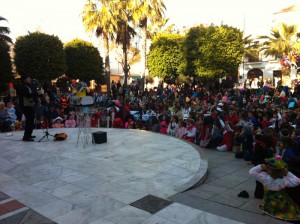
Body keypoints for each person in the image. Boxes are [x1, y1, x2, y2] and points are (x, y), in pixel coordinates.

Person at [249, 156, 300, 221]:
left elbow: (251, 171)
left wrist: (261, 166)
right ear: (283, 171)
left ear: (268, 169)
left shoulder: (264, 178)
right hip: (281, 205)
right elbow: (298, 181)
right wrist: (287, 173)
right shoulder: (285, 181)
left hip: (268, 204)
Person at [18, 76, 41, 141]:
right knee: (29, 121)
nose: (30, 80)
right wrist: (36, 93)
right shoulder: (23, 87)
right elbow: (28, 95)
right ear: (25, 80)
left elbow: (33, 94)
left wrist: (38, 96)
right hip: (26, 106)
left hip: (30, 105)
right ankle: (26, 136)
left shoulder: (29, 86)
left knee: (31, 120)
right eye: (28, 79)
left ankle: (29, 134)